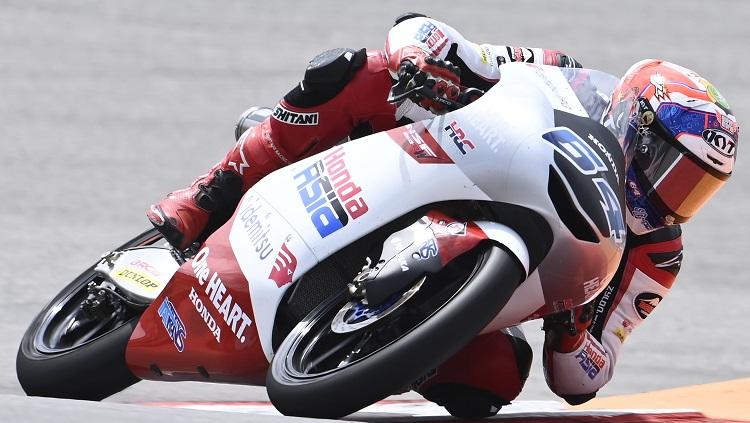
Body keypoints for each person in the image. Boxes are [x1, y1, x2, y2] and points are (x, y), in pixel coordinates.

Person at [146, 14, 739, 419]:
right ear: (633, 122)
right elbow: (435, 36)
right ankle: (209, 192)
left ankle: (384, 348)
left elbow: (583, 377)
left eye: (695, 188)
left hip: (494, 267)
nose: (671, 196)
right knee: (356, 70)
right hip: (443, 160)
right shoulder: (559, 72)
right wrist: (423, 61)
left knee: (495, 378)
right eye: (668, 168)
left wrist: (577, 322)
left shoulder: (655, 257)